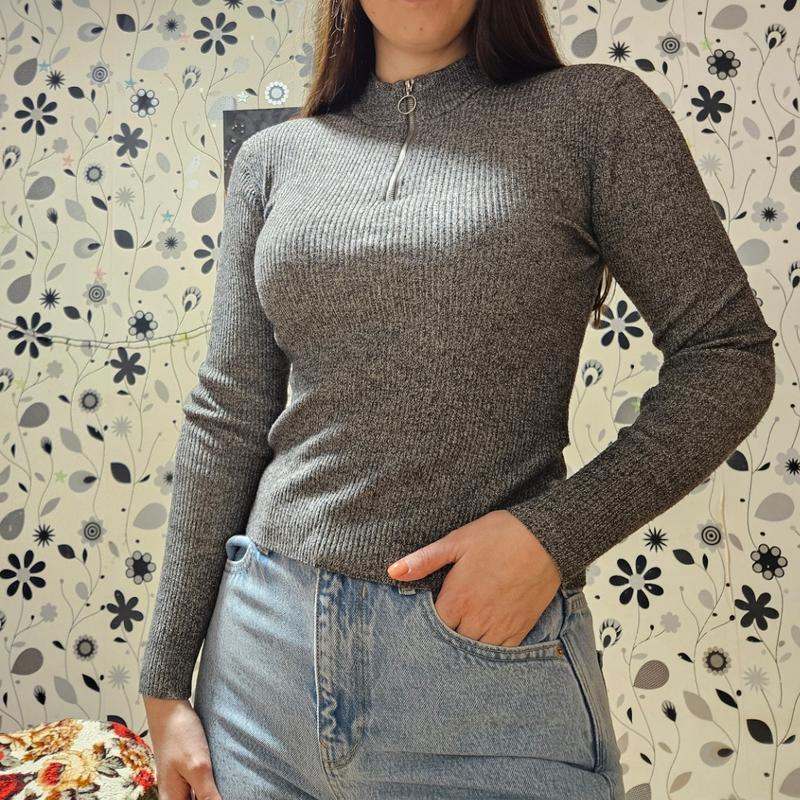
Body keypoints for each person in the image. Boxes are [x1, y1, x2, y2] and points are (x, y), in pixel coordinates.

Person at [139, 0, 777, 798]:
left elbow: (728, 354)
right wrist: (165, 680)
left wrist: (553, 535)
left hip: (484, 672)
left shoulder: (592, 115)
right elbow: (228, 412)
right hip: (259, 667)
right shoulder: (273, 159)